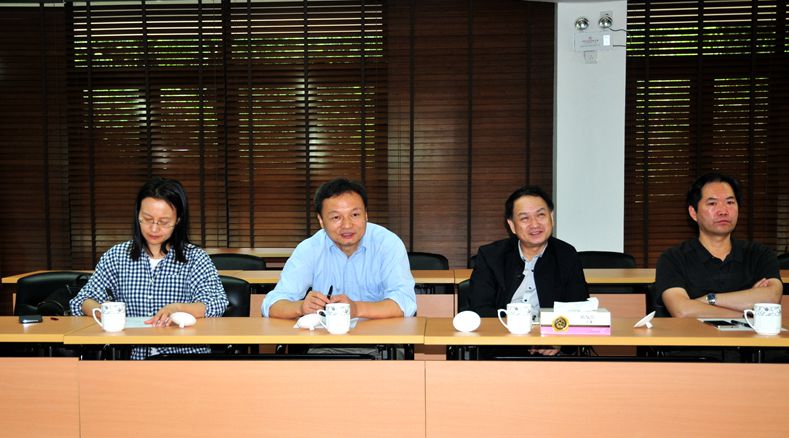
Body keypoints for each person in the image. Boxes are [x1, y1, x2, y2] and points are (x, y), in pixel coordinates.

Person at [69, 177, 228, 359]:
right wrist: (104, 313)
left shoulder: (195, 258)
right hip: (132, 358)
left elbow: (216, 302)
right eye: (147, 219)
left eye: (164, 222)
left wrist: (178, 308)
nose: (153, 229)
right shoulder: (117, 256)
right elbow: (82, 300)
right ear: (137, 215)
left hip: (183, 358)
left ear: (178, 220)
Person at [263, 177, 416, 321]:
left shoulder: (387, 244)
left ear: (366, 215)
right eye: (336, 217)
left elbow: (405, 302)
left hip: (381, 337)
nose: (347, 225)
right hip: (326, 337)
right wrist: (300, 307)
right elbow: (272, 304)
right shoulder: (310, 249)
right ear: (321, 220)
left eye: (355, 214)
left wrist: (357, 309)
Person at [467, 185, 589, 356]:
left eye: (541, 215)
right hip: (501, 345)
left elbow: (578, 308)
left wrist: (558, 340)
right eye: (524, 218)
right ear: (512, 225)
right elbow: (480, 308)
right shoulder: (491, 256)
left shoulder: (566, 255)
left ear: (551, 217)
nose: (535, 224)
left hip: (551, 346)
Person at [656, 172, 782, 318]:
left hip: (747, 334)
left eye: (730, 202)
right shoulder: (673, 258)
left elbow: (772, 298)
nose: (723, 211)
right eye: (712, 203)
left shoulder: (760, 254)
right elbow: (682, 311)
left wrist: (707, 300)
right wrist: (746, 314)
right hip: (696, 334)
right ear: (693, 213)